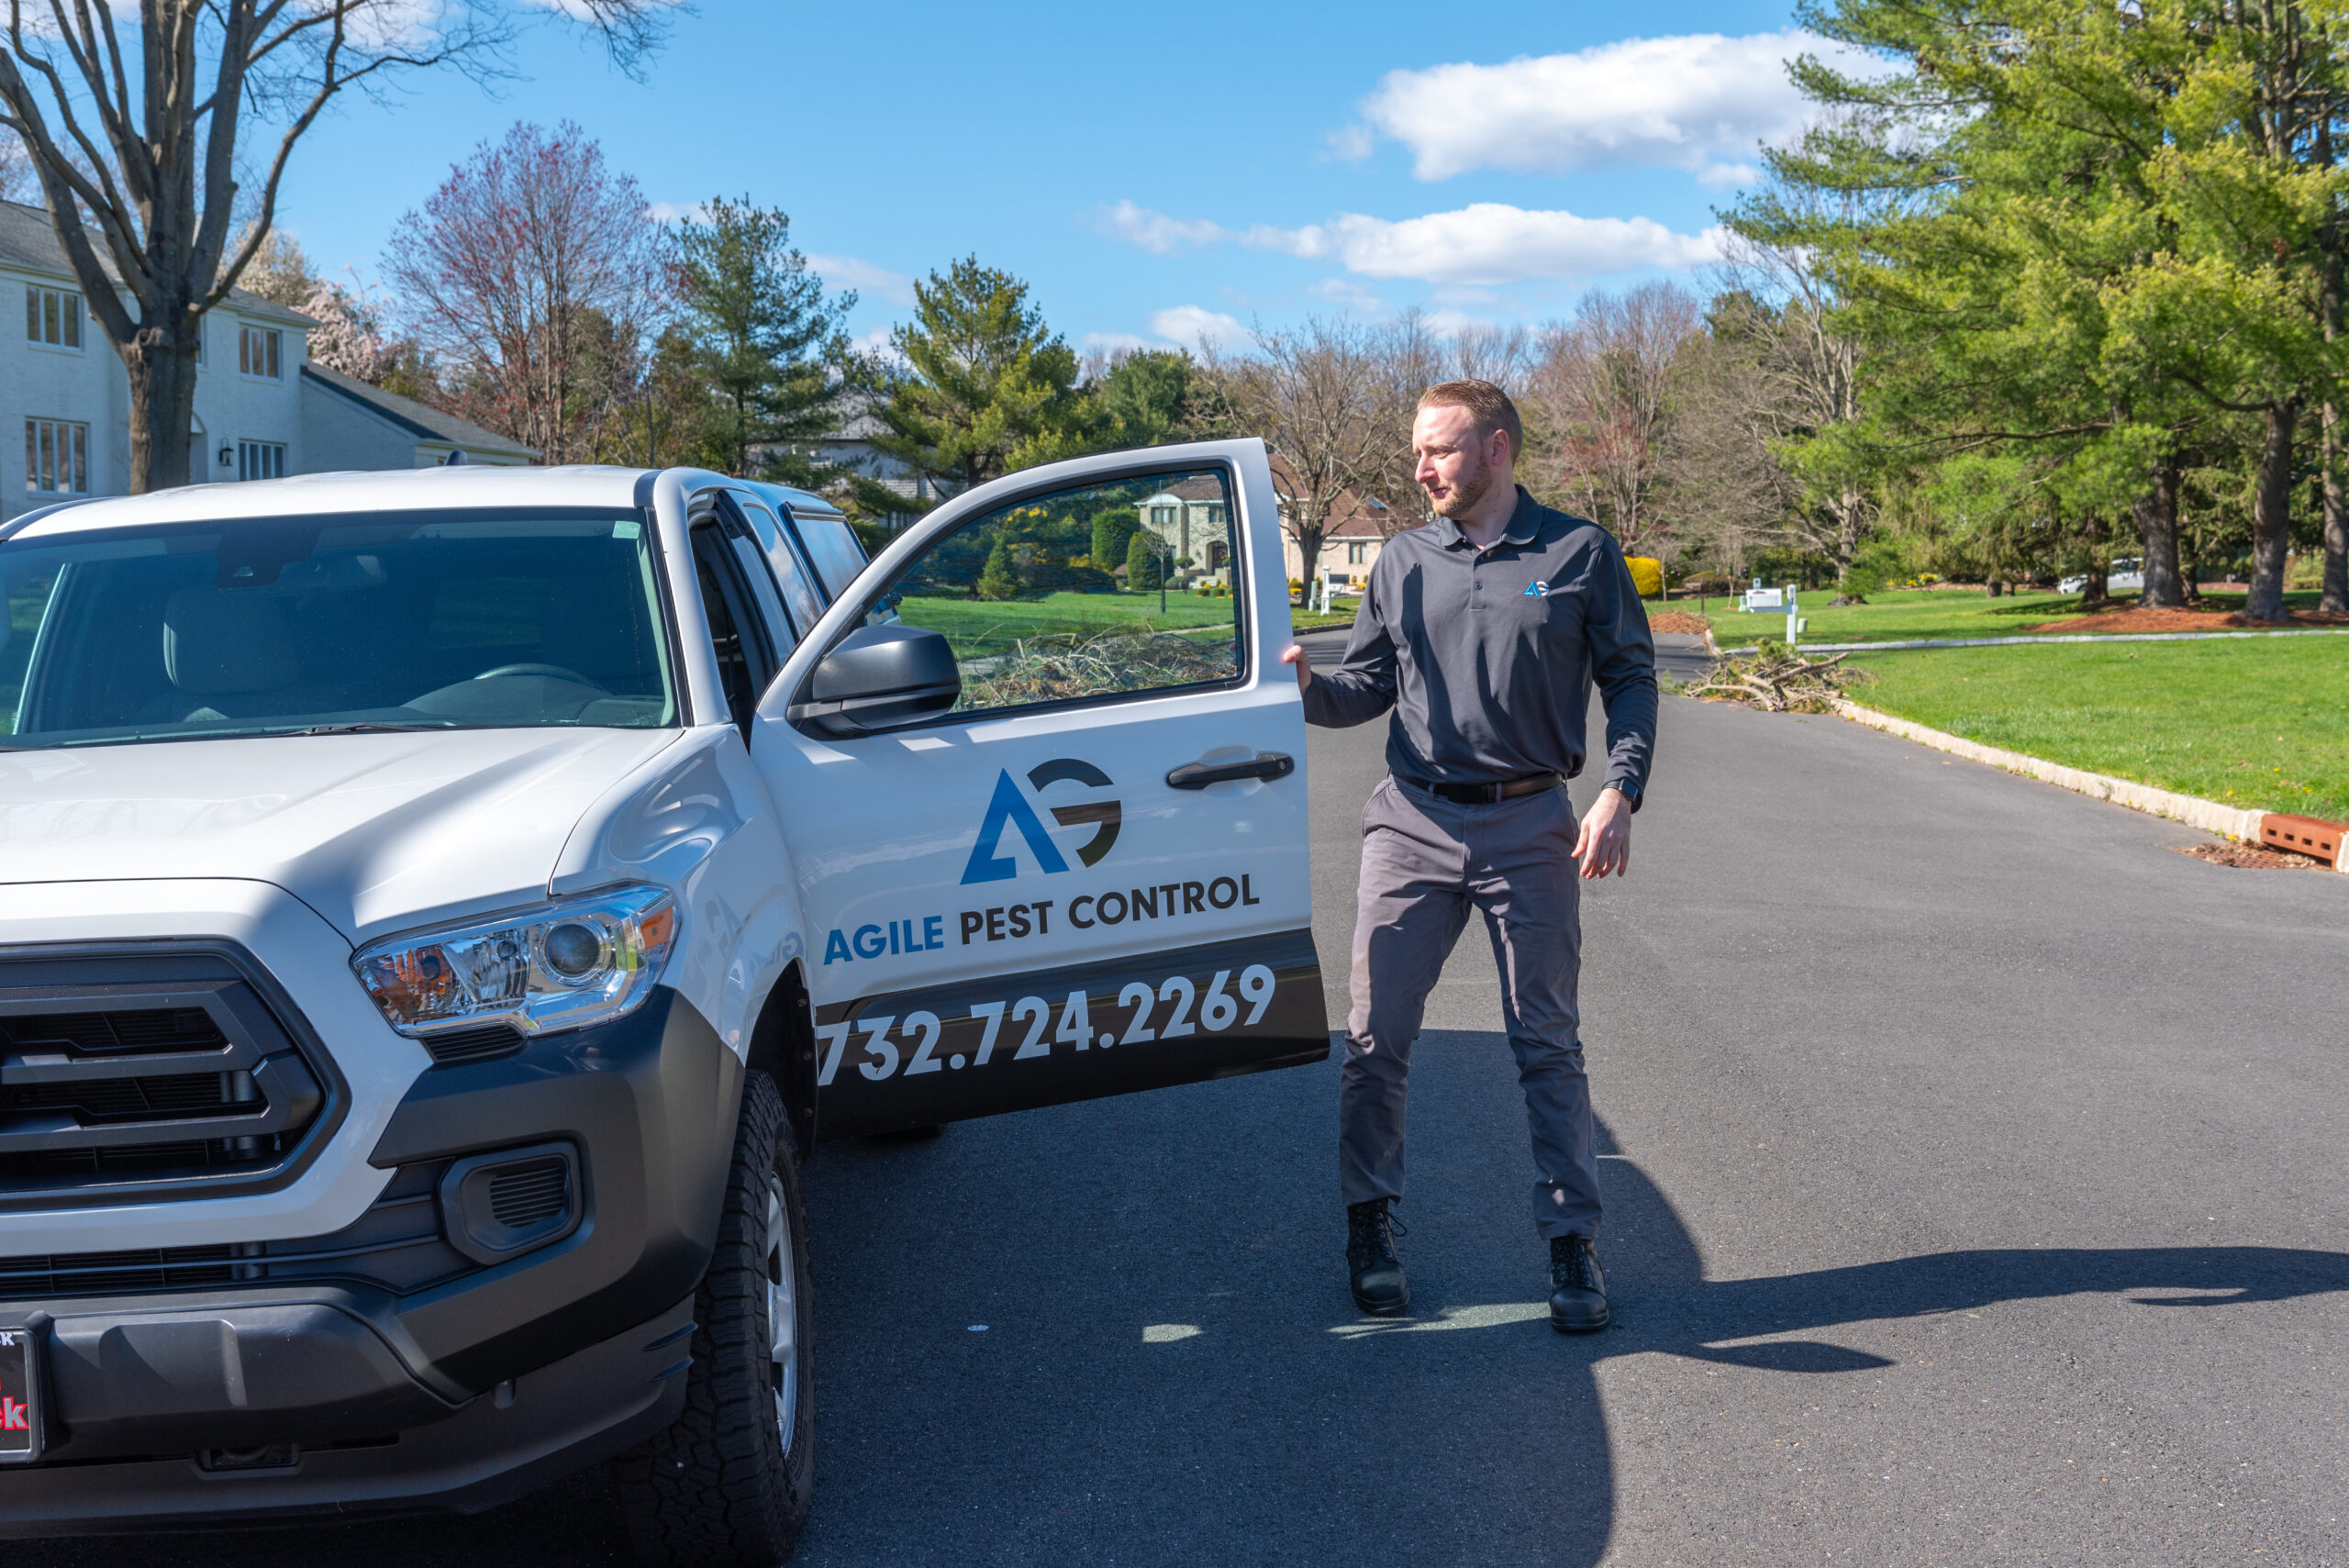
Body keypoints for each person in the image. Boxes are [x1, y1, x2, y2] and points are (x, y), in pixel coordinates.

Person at [1282, 379, 1656, 1333]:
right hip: (1410, 819)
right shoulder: (1402, 560)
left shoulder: (1577, 552)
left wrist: (1619, 788)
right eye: (1417, 450)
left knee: (1545, 1042)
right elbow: (1365, 684)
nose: (1419, 468)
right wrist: (1301, 691)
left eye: (1438, 450)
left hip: (1531, 825)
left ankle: (1571, 1242)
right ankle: (1370, 1226)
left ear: (1495, 449)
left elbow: (1629, 676)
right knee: (1374, 1040)